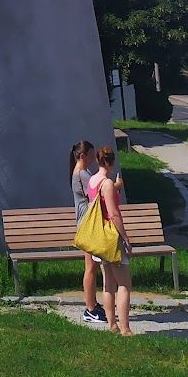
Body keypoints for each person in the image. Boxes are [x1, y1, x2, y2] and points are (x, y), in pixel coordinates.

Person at [88, 144, 134, 335]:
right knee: (124, 284)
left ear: (98, 160)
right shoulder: (107, 183)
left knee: (108, 284)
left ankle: (112, 325)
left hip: (98, 237)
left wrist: (116, 189)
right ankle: (125, 328)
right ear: (111, 162)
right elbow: (113, 214)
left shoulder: (92, 180)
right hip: (111, 238)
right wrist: (125, 237)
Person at [69, 139, 107, 324]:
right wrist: (114, 186)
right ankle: (90, 308)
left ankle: (92, 304)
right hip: (87, 225)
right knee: (91, 268)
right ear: (82, 155)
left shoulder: (82, 173)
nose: (93, 159)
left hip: (87, 224)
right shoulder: (82, 174)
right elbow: (99, 192)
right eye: (91, 155)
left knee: (92, 267)